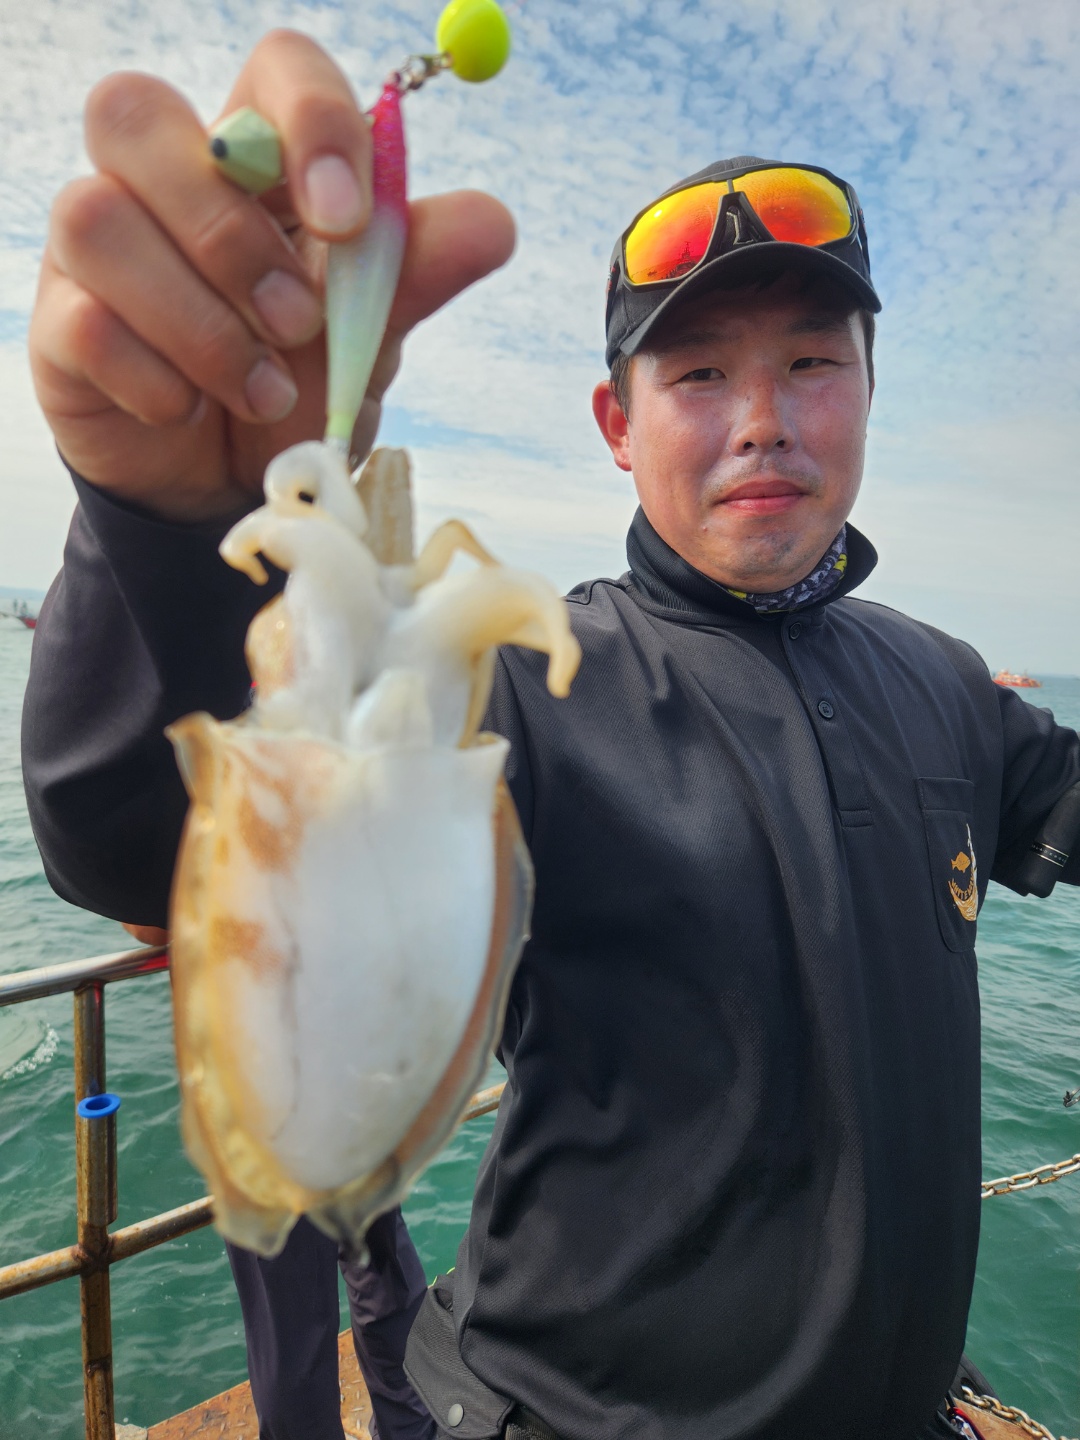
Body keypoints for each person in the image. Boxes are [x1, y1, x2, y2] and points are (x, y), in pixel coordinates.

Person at [21, 30, 1080, 1440]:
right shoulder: (523, 679)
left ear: (871, 391)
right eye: (697, 376)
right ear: (615, 425)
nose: (763, 421)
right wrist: (158, 528)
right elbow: (142, 842)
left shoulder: (942, 681)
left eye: (813, 361)